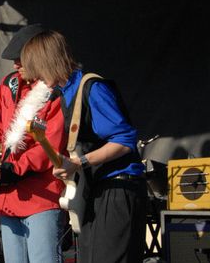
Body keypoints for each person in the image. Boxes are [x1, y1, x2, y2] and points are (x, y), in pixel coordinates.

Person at [20, 28, 147, 263]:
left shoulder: (93, 87)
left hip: (118, 188)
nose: (33, 78)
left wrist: (80, 162)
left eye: (36, 69)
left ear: (47, 62)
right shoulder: (65, 94)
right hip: (96, 190)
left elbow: (125, 140)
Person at [0, 24, 67, 263]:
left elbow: (50, 148)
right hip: (8, 198)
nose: (15, 64)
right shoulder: (9, 84)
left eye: (20, 59)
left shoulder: (58, 91)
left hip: (42, 197)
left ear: (38, 57)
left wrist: (9, 170)